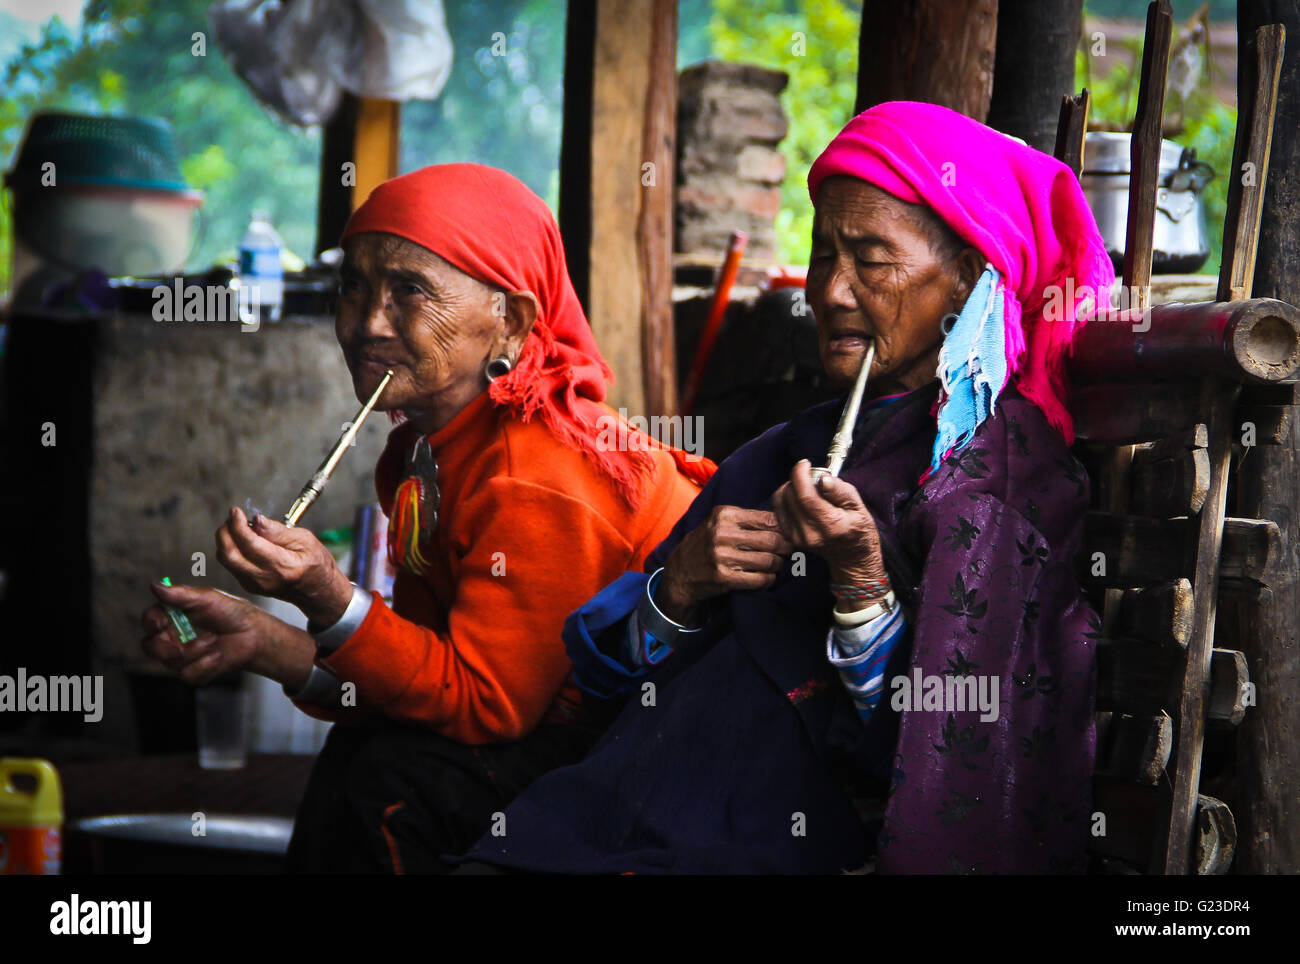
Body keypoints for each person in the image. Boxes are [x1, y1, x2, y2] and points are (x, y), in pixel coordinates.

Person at [457, 102, 1115, 874]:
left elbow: (951, 756)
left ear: (969, 275)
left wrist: (862, 586)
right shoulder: (781, 452)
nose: (831, 292)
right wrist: (683, 587)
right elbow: (610, 682)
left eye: (871, 258)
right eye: (823, 254)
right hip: (613, 815)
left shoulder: (1000, 480)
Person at [139, 163, 711, 873]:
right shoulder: (429, 451)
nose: (369, 323)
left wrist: (326, 593)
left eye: (410, 290)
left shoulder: (539, 470)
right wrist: (263, 642)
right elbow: (421, 681)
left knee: (397, 783)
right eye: (354, 286)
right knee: (371, 753)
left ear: (511, 320)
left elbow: (483, 708)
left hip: (657, 758)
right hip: (547, 734)